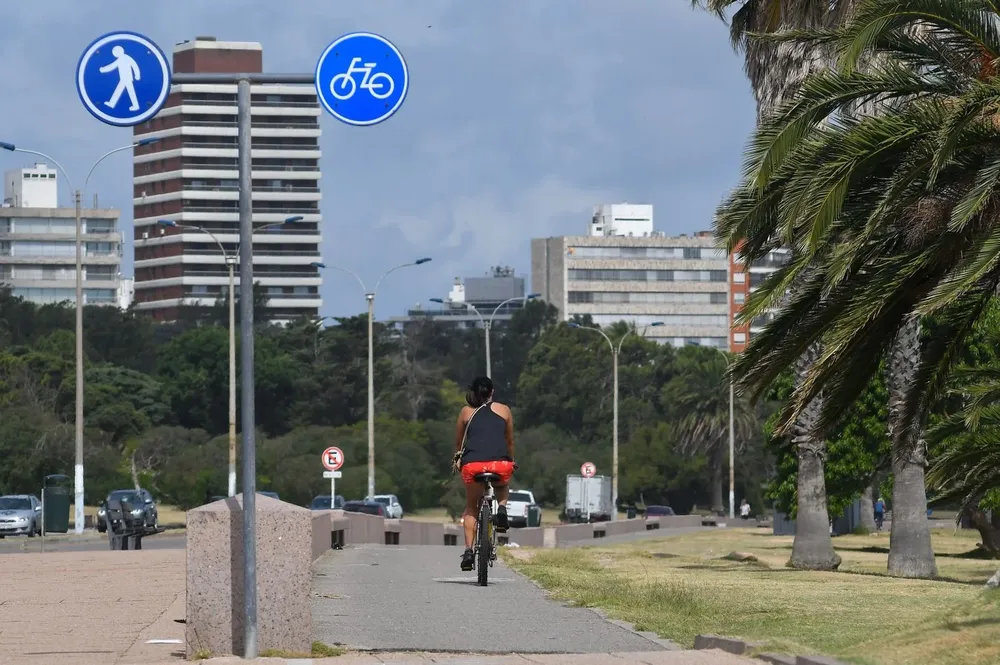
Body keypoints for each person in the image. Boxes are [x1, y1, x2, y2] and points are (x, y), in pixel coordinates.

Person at [453, 376, 515, 572]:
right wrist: (511, 461)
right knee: (502, 485)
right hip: (500, 464)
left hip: (473, 465)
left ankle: (469, 551)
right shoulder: (504, 410)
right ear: (492, 392)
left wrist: (457, 459)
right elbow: (509, 440)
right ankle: (502, 509)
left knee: (471, 508)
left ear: (472, 392)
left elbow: (458, 443)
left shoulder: (465, 412)